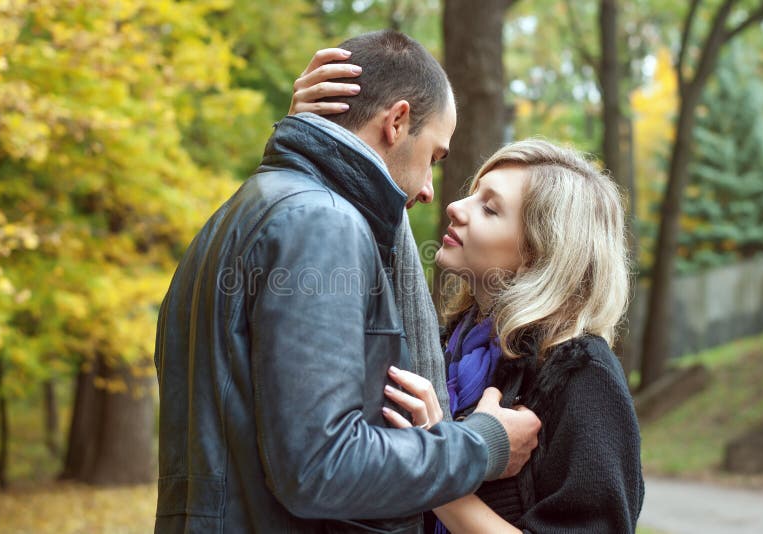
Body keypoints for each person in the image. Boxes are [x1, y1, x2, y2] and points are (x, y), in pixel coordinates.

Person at [154, 30, 542, 533]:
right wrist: (482, 444)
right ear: (397, 121)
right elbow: (321, 466)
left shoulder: (234, 219)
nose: (430, 190)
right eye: (433, 157)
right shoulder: (320, 223)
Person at [292, 59, 645, 533]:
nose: (456, 207)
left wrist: (438, 468)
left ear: (539, 252)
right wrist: (316, 136)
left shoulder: (581, 375)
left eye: (490, 209)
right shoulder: (441, 347)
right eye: (472, 194)